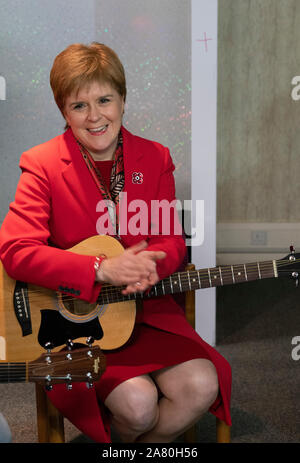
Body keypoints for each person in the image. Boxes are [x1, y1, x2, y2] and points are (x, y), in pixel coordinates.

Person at [0, 42, 231, 443]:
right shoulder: (41, 163)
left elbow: (171, 241)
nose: (94, 117)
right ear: (63, 111)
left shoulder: (155, 158)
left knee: (201, 384)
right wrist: (99, 269)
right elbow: (16, 251)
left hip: (149, 313)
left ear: (123, 99)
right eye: (78, 106)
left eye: (105, 99)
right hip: (74, 325)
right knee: (138, 405)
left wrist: (151, 265)